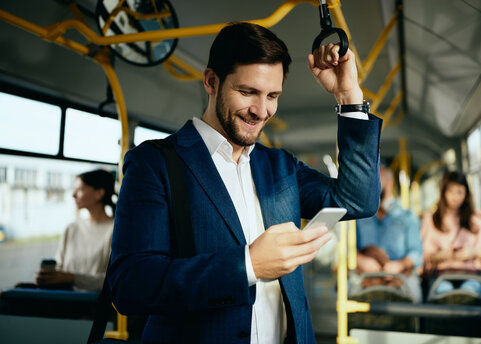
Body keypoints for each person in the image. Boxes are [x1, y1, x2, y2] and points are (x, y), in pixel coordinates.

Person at [108, 22, 381, 343]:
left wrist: (349, 97)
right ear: (211, 81)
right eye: (247, 92)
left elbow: (357, 200)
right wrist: (247, 265)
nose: (261, 110)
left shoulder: (280, 165)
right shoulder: (155, 163)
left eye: (272, 95)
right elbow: (131, 285)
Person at [35, 169, 115, 291]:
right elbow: (60, 269)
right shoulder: (71, 228)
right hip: (65, 299)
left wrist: (72, 278)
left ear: (99, 193)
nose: (73, 195)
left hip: (93, 305)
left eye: (80, 189)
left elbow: (113, 280)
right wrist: (49, 278)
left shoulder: (114, 230)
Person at [421, 171, 481, 295]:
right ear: (443, 193)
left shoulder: (477, 220)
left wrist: (473, 253)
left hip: (472, 275)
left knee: (470, 291)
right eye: (451, 192)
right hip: (442, 275)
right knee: (444, 291)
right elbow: (424, 255)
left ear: (466, 194)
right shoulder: (431, 219)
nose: (455, 197)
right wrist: (441, 255)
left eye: (459, 192)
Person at [354, 166, 423, 302]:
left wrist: (400, 265)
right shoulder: (358, 217)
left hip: (400, 274)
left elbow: (416, 252)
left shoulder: (407, 216)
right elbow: (348, 249)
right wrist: (362, 261)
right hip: (366, 274)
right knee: (349, 288)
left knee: (413, 293)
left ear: (390, 183)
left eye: (377, 181)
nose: (372, 186)